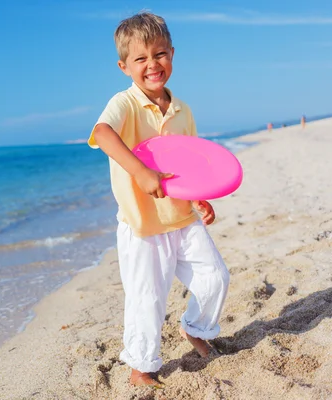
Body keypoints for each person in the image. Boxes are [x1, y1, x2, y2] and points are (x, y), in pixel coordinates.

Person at [88, 12, 230, 387]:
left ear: (172, 54)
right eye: (141, 58)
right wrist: (139, 171)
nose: (152, 64)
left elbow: (192, 161)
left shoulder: (182, 109)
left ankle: (195, 329)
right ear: (124, 66)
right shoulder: (125, 103)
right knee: (147, 298)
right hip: (143, 224)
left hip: (182, 217)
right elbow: (103, 134)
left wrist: (200, 197)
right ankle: (141, 367)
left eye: (160, 54)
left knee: (215, 277)